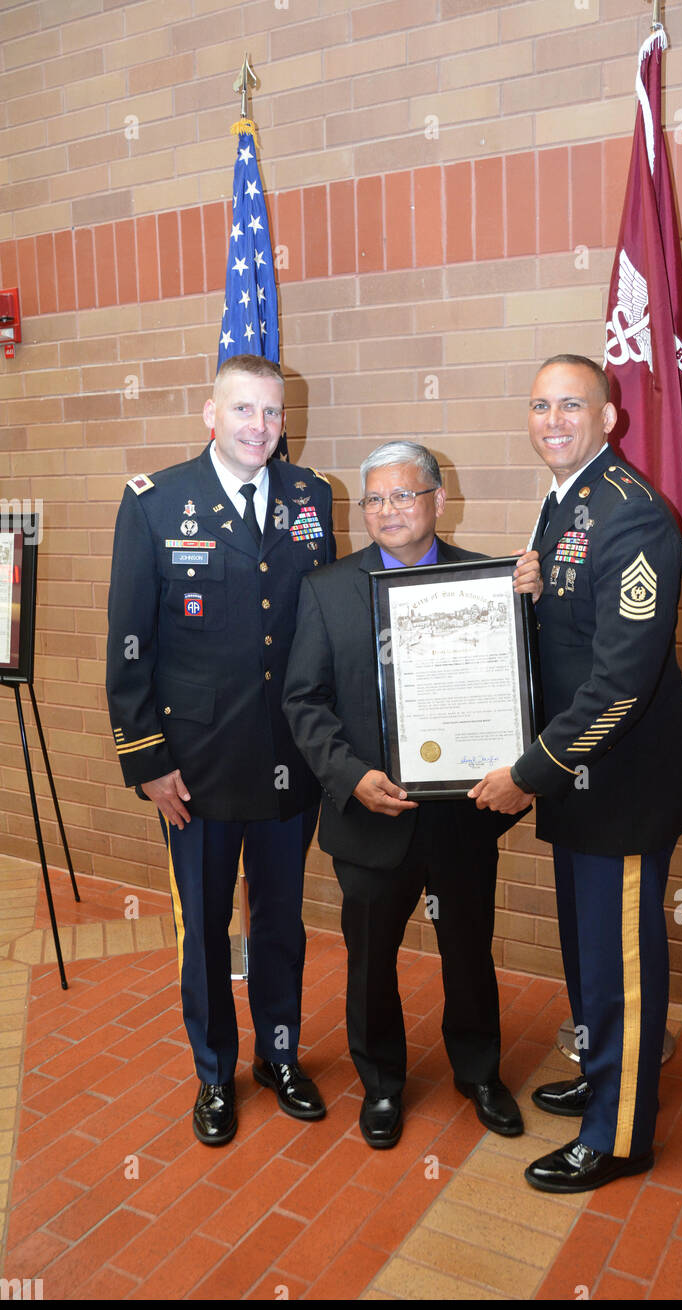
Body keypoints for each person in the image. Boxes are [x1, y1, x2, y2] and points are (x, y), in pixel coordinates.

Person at [470, 355, 682, 1193]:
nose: (553, 418)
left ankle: (617, 1137)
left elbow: (621, 684)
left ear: (609, 419)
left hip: (621, 785)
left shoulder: (634, 517)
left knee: (622, 968)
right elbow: (578, 631)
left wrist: (528, 772)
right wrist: (532, 597)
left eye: (572, 404)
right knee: (587, 953)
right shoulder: (566, 501)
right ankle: (602, 1070)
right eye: (539, 404)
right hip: (579, 778)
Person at [282, 441, 541, 1149]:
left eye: (403, 495)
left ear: (437, 500)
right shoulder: (328, 589)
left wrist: (534, 602)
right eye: (375, 499)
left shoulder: (488, 582)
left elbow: (519, 685)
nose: (388, 510)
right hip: (369, 817)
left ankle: (480, 1074)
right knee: (370, 961)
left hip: (463, 816)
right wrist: (349, 777)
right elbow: (304, 701)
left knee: (468, 949)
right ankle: (383, 1085)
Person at [105, 354, 336, 1146]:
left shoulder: (310, 497)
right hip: (195, 769)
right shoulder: (155, 503)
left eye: (272, 414)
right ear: (211, 413)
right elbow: (128, 645)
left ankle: (278, 1056)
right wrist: (148, 762)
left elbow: (321, 624)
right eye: (243, 411)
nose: (259, 428)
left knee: (280, 921)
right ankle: (213, 1075)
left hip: (288, 756)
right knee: (205, 927)